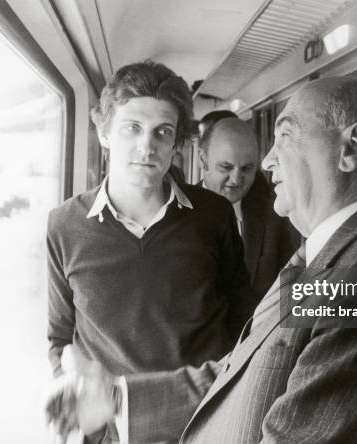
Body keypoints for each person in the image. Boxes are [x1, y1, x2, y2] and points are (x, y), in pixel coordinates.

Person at [46, 76, 357, 444]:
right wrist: (117, 401)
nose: (267, 163)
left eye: (283, 137)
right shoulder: (333, 252)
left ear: (351, 147)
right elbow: (245, 375)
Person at [46, 61, 253, 385]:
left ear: (176, 144)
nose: (147, 146)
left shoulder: (214, 215)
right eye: (132, 128)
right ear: (104, 133)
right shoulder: (64, 225)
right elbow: (60, 337)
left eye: (163, 132)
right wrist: (70, 390)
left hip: (201, 421)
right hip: (112, 427)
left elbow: (241, 316)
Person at [199, 117, 298, 300]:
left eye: (246, 169)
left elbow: (290, 296)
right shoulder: (174, 212)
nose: (236, 180)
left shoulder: (275, 217)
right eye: (226, 167)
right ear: (203, 161)